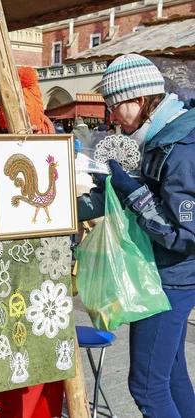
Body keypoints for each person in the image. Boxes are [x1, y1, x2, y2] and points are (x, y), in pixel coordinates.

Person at [78, 54, 195, 418]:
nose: (112, 116)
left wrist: (132, 191)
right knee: (171, 374)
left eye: (115, 106)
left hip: (170, 280)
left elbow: (184, 235)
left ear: (141, 100)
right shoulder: (161, 137)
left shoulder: (181, 149)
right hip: (165, 275)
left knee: (146, 386)